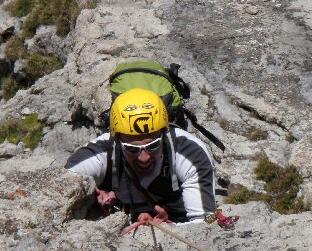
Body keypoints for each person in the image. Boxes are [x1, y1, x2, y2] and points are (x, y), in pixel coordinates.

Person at [66, 88, 217, 224]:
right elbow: (60, 184)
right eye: (132, 149)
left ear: (165, 135)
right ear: (117, 141)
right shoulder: (103, 152)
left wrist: (171, 227)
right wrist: (91, 191)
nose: (143, 157)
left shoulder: (190, 153)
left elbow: (204, 223)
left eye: (153, 146)